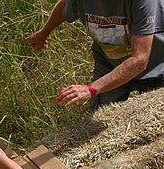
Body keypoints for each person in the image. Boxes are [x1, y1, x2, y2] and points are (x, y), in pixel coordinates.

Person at [29, 0, 164, 111]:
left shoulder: (143, 2)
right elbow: (65, 5)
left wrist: (91, 89)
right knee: (101, 120)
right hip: (110, 65)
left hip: (158, 69)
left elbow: (139, 60)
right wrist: (44, 32)